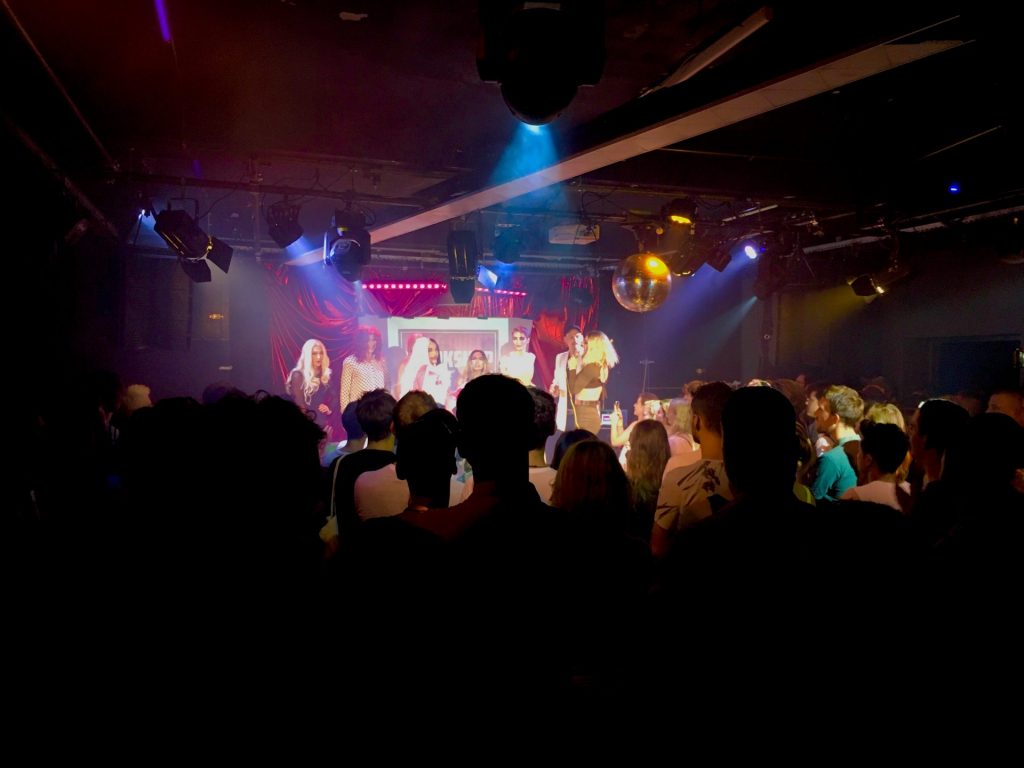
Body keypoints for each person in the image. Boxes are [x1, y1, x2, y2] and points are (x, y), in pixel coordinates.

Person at [568, 330, 618, 435]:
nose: (583, 344)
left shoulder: (592, 367)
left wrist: (572, 368)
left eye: (586, 342)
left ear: (594, 347)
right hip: (588, 412)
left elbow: (574, 389)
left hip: (586, 416)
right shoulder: (599, 365)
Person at [287, 338, 338, 438]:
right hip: (306, 423)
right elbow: (300, 405)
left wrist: (329, 409)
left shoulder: (326, 374)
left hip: (323, 422)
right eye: (314, 354)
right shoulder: (298, 375)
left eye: (321, 353)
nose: (318, 357)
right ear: (307, 356)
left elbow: (335, 397)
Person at [339, 326, 387, 411]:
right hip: (358, 411)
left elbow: (385, 388)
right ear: (361, 342)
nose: (371, 343)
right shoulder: (350, 362)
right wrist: (346, 415)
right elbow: (344, 393)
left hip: (378, 411)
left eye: (374, 340)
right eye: (368, 340)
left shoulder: (381, 361)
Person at [550, 325, 584, 433]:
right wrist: (554, 388)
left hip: (582, 408)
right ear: (565, 339)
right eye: (571, 337)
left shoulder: (587, 356)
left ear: (582, 338)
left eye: (577, 336)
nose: (574, 340)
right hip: (565, 410)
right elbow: (556, 379)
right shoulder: (560, 357)